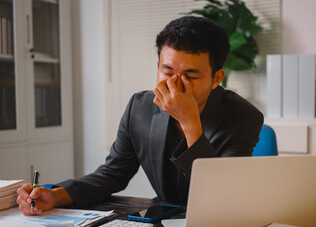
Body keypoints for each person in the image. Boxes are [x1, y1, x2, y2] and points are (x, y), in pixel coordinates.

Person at [17, 16, 264, 216]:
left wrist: (190, 122)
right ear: (158, 68)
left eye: (191, 76)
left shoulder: (244, 117)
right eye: (167, 71)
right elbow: (113, 174)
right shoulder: (140, 107)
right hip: (162, 219)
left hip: (218, 222)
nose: (176, 85)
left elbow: (222, 195)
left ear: (216, 78)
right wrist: (56, 195)